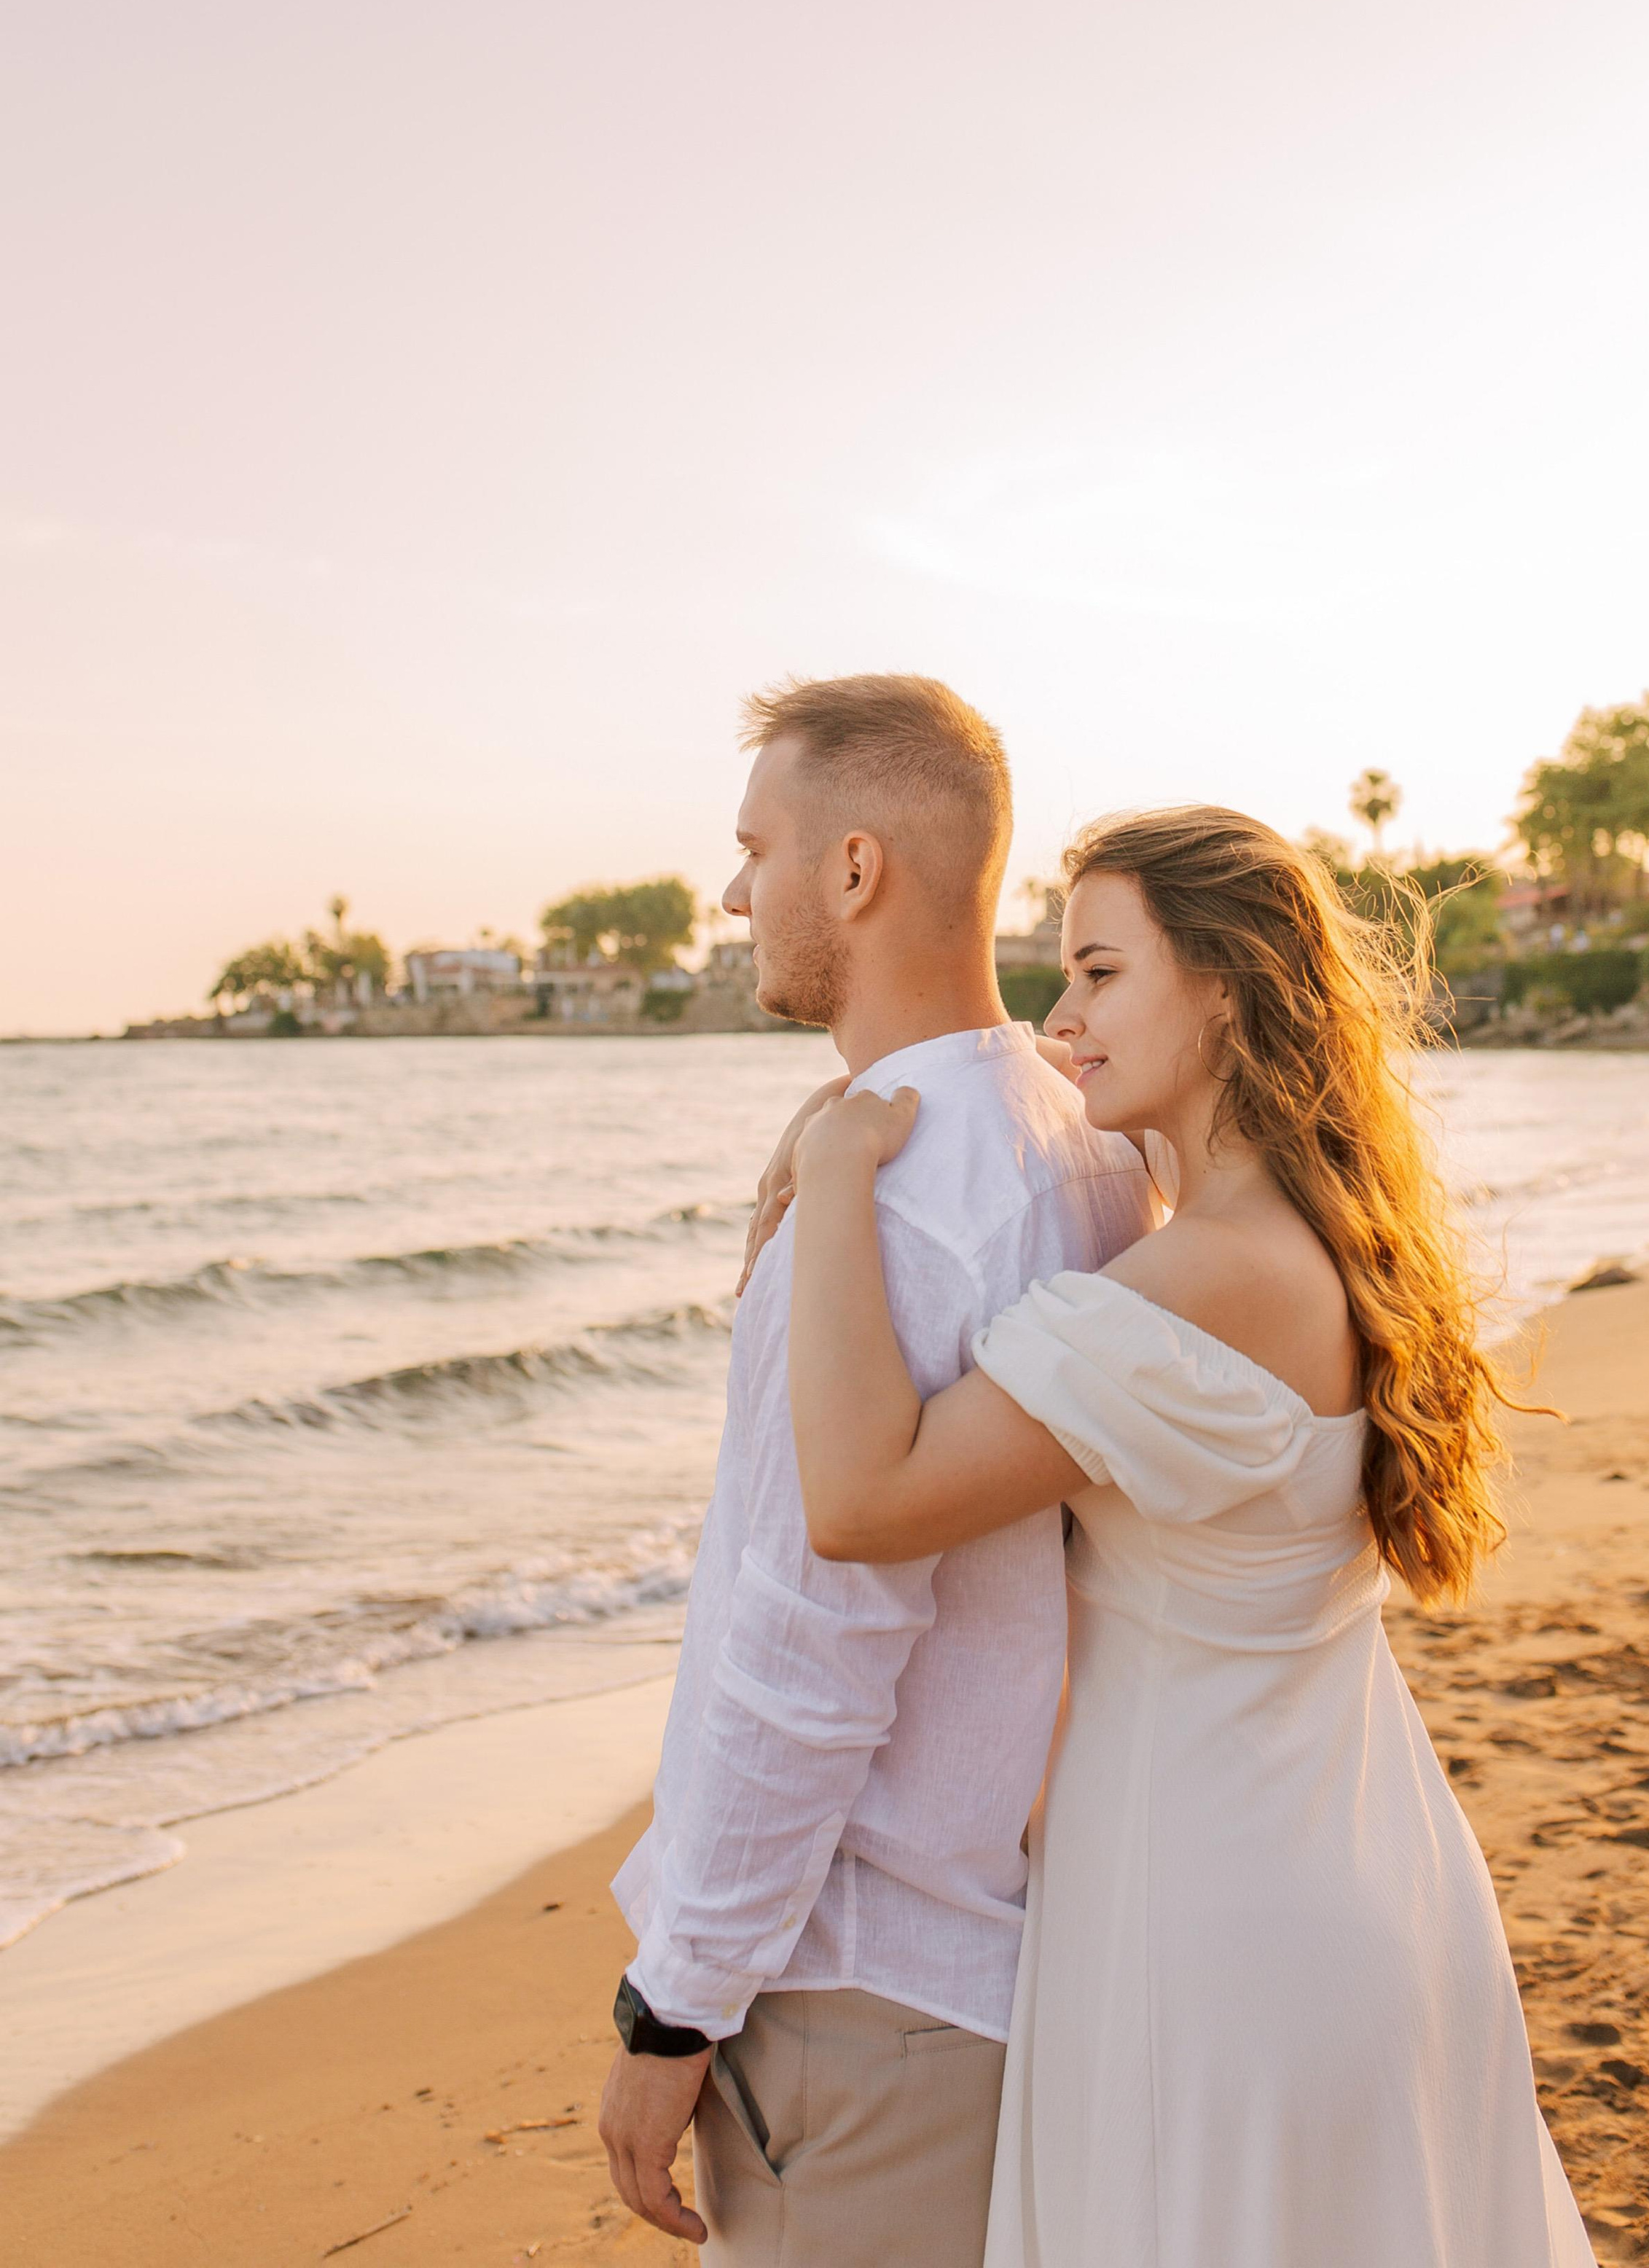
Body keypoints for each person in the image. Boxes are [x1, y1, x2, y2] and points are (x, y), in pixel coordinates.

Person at [781, 805, 1597, 2267]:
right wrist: (1050, 1072)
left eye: (1098, 975)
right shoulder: (1308, 1234)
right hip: (1353, 1870)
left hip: (1210, 1929)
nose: (1059, 1013)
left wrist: (839, 1176)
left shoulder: (1204, 1278)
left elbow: (856, 1502)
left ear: (1220, 986)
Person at [598, 676, 1153, 2261]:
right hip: (996, 1953)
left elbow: (808, 1644)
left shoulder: (892, 1199)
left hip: (861, 1997)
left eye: (753, 847)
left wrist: (673, 2004)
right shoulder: (1076, 1130)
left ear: (853, 871)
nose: (728, 893)